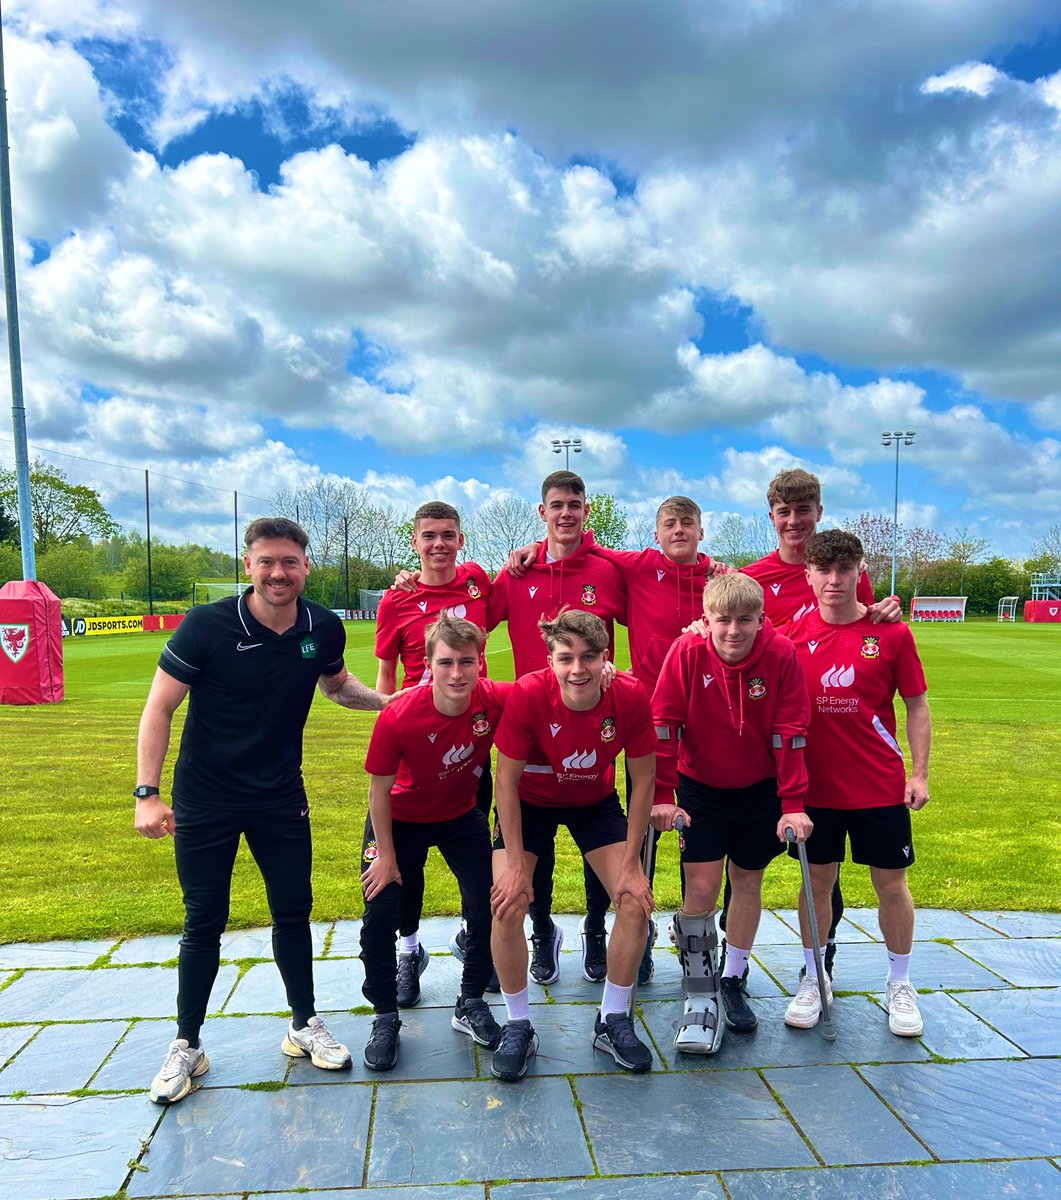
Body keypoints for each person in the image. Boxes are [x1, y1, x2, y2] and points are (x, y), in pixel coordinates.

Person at [134, 517, 389, 1105]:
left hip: (279, 795)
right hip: (205, 798)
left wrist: (390, 705)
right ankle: (187, 1045)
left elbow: (337, 685)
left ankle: (303, 1025)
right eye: (267, 561)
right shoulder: (207, 625)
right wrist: (148, 793)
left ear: (306, 566)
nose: (279, 572)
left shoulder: (322, 626)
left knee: (293, 913)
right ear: (247, 564)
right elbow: (159, 709)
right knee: (204, 921)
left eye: (290, 562)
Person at [508, 495, 717, 984]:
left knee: (630, 828)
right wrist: (531, 552)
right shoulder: (621, 565)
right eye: (670, 523)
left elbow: (746, 606)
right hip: (548, 719)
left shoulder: (684, 574)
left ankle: (610, 931)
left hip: (639, 719)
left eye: (689, 523)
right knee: (543, 834)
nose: (679, 531)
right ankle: (546, 930)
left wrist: (715, 568)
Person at [738, 468, 900, 977]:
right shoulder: (754, 577)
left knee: (826, 872)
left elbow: (864, 622)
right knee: (751, 858)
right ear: (772, 517)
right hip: (772, 743)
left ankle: (819, 965)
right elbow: (731, 628)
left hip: (842, 752)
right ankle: (733, 967)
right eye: (784, 512)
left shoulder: (845, 566)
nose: (793, 520)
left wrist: (885, 612)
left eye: (802, 510)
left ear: (818, 513)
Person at [488, 609, 657, 1081]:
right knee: (508, 902)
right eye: (566, 658)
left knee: (633, 902)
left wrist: (630, 865)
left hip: (594, 800)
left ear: (608, 657)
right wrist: (518, 868)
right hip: (530, 802)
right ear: (550, 659)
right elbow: (506, 782)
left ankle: (613, 1018)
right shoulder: (528, 693)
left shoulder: (628, 695)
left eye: (589, 657)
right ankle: (518, 1024)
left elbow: (643, 782)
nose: (577, 669)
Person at [652, 573, 812, 1051]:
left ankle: (732, 977)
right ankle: (699, 991)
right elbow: (664, 725)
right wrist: (664, 793)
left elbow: (791, 731)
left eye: (745, 620)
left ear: (761, 619)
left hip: (758, 789)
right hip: (700, 788)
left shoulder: (781, 654)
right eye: (723, 620)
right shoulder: (686, 652)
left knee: (747, 881)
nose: (733, 631)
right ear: (706, 619)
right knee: (699, 889)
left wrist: (794, 804)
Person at [784, 530, 931, 1036]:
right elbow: (732, 632)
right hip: (814, 792)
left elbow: (916, 705)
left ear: (858, 572)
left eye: (843, 570)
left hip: (878, 787)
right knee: (816, 883)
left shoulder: (891, 633)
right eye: (823, 570)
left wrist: (920, 772)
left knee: (890, 884)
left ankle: (900, 984)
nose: (833, 580)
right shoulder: (792, 634)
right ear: (808, 574)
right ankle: (814, 975)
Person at [486, 471, 627, 987]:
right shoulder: (517, 574)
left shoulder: (609, 570)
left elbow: (660, 611)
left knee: (600, 845)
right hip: (531, 729)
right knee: (531, 851)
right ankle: (542, 931)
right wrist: (413, 584)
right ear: (540, 511)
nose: (566, 513)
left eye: (574, 504)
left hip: (593, 727)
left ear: (586, 511)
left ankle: (595, 930)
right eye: (556, 505)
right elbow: (472, 616)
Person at [359, 614, 510, 1070]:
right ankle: (385, 1016)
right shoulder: (400, 715)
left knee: (491, 903)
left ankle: (469, 1001)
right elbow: (377, 792)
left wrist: (606, 671)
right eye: (445, 663)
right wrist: (385, 857)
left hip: (459, 816)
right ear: (428, 665)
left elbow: (554, 683)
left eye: (467, 661)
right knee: (381, 912)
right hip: (399, 819)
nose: (457, 673)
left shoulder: (493, 698)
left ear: (481, 662)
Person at [371, 501, 494, 1005]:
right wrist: (386, 719)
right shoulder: (396, 599)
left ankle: (475, 943)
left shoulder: (478, 584)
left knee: (473, 854)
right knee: (409, 867)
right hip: (414, 742)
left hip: (471, 746)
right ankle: (409, 950)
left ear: (461, 540)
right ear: (415, 541)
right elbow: (384, 674)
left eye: (448, 535)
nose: (438, 544)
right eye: (429, 536)